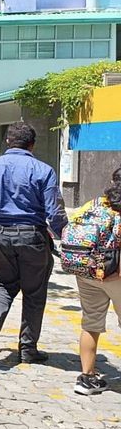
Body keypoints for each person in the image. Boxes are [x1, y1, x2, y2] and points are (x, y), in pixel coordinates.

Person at [0, 123, 68, 363]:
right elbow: (54, 213)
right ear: (32, 145)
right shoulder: (44, 170)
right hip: (32, 237)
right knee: (34, 292)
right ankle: (28, 349)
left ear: (7, 142)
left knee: (3, 284)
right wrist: (66, 238)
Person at [67, 169, 121, 395]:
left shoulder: (95, 204)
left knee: (91, 324)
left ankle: (87, 379)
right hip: (116, 275)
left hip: (88, 271)